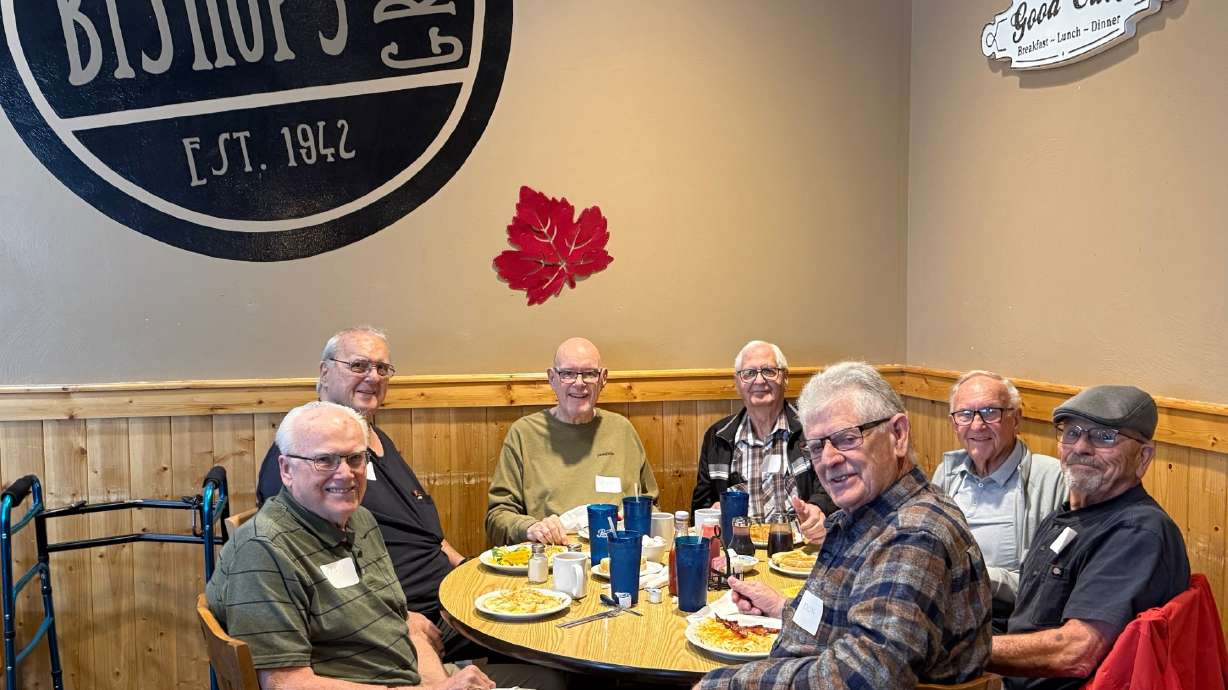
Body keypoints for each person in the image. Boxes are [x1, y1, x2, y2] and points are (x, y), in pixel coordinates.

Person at [209, 402, 563, 690]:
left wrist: (438, 683)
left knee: (554, 677)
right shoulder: (264, 550)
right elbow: (287, 683)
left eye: (355, 458)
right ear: (286, 469)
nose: (345, 474)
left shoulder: (360, 521)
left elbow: (402, 624)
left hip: (407, 676)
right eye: (324, 460)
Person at [696, 362, 991, 689]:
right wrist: (784, 610)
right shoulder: (866, 518)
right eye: (818, 446)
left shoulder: (913, 535)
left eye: (847, 438)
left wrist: (729, 684)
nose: (829, 459)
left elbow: (865, 676)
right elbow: (849, 627)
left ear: (898, 434)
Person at [254, 327, 467, 660]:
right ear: (325, 372)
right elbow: (313, 566)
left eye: (383, 369)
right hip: (396, 620)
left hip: (448, 597)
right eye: (359, 366)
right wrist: (399, 617)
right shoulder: (304, 457)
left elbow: (428, 532)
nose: (373, 376)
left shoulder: (376, 439)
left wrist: (467, 568)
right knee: (536, 646)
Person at [990, 385, 1190, 690]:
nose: (1081, 447)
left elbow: (1074, 653)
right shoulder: (1069, 514)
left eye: (1104, 436)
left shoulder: (1136, 533)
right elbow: (1028, 616)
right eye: (1072, 433)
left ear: (1143, 456)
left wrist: (967, 652)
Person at [486, 337, 659, 545]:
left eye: (589, 374)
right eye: (567, 373)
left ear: (603, 378)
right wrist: (532, 528)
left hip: (617, 557)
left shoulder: (622, 431)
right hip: (552, 558)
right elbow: (497, 517)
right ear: (552, 378)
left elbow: (653, 506)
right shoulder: (523, 434)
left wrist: (635, 519)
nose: (579, 383)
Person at [932, 370, 1066, 630]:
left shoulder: (1052, 479)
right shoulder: (946, 474)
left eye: (990, 412)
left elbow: (1046, 584)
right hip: (943, 609)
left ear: (1016, 419)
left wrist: (971, 574)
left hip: (1003, 620)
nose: (977, 425)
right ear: (954, 423)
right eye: (965, 414)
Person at [691, 341, 835, 544]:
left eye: (768, 371)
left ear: (785, 377)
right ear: (737, 382)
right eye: (749, 373)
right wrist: (711, 513)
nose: (759, 380)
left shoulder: (813, 430)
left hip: (801, 549)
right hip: (737, 552)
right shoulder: (717, 438)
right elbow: (701, 505)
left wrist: (819, 510)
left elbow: (832, 488)